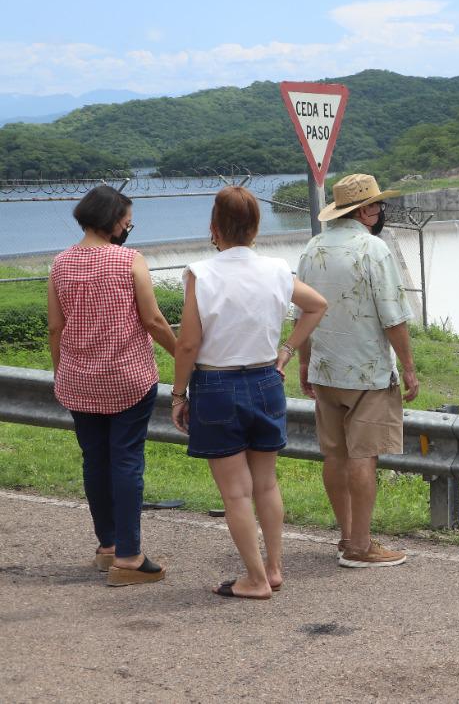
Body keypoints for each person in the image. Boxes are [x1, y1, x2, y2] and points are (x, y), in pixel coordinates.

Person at [170, 187, 327, 599]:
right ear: (256, 227)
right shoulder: (277, 268)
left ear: (213, 226)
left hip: (217, 386)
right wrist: (289, 348)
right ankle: (273, 568)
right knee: (266, 485)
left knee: (235, 492)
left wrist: (178, 394)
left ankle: (254, 579)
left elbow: (187, 344)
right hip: (265, 382)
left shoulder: (200, 273)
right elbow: (317, 305)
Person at [48, 185, 177, 586]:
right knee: (126, 461)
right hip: (127, 378)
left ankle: (107, 548)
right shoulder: (129, 261)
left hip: (79, 380)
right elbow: (154, 321)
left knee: (95, 460)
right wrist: (183, 356)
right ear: (112, 221)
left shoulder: (60, 264)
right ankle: (129, 557)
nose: (128, 226)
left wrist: (63, 371)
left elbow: (56, 326)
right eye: (127, 220)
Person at [296, 174, 419, 568]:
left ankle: (346, 535)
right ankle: (361, 546)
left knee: (335, 455)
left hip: (325, 368)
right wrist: (410, 369)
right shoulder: (373, 249)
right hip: (367, 372)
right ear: (365, 210)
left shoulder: (312, 248)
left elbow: (303, 310)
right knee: (364, 456)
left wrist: (303, 361)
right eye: (378, 206)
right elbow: (393, 317)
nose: (380, 212)